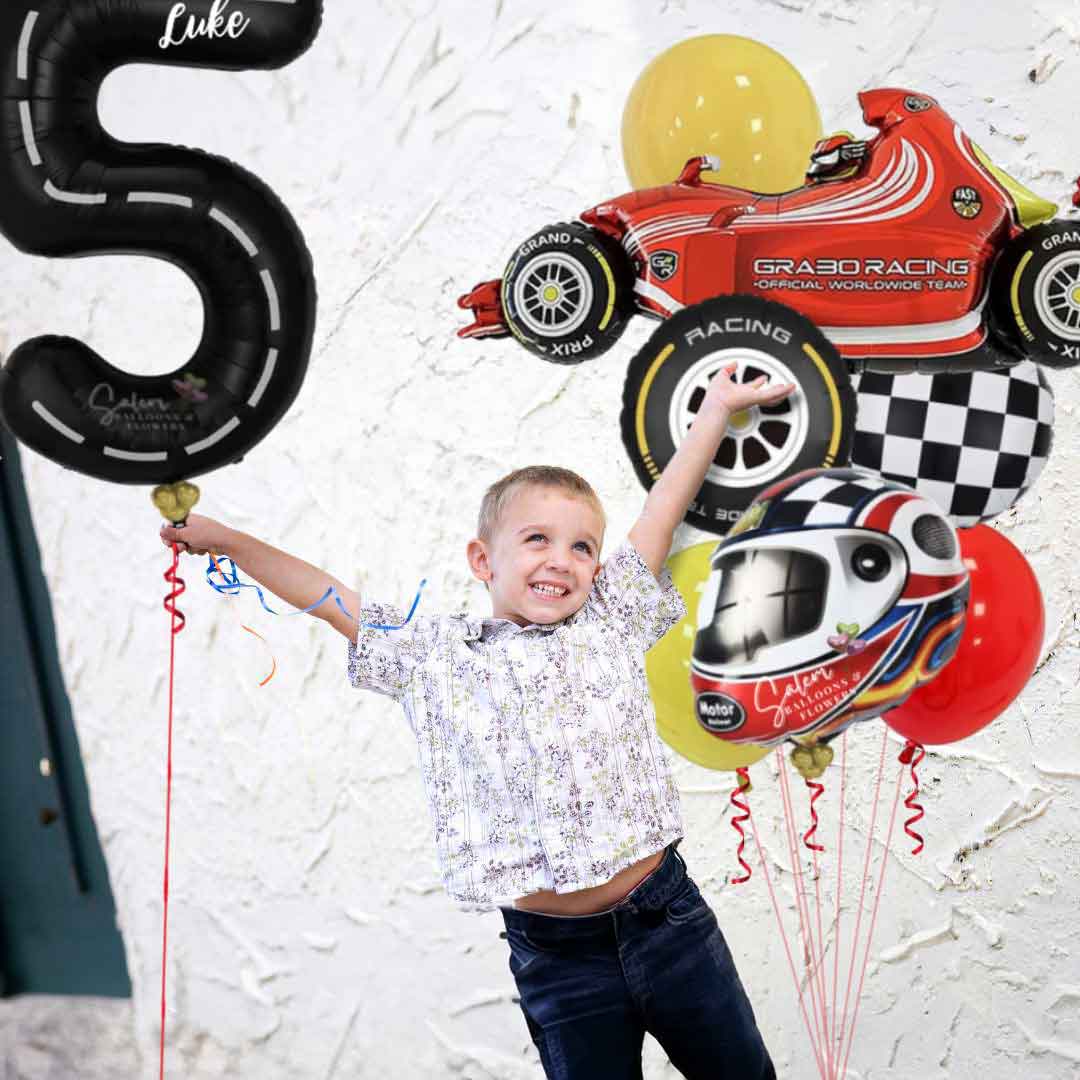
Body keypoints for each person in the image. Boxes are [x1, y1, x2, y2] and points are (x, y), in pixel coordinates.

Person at [160, 364, 793, 1079]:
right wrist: (229, 541)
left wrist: (714, 407)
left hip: (670, 924)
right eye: (537, 540)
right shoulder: (433, 656)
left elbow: (661, 512)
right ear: (481, 559)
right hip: (557, 958)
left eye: (583, 546)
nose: (563, 560)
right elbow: (328, 595)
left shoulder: (611, 620)